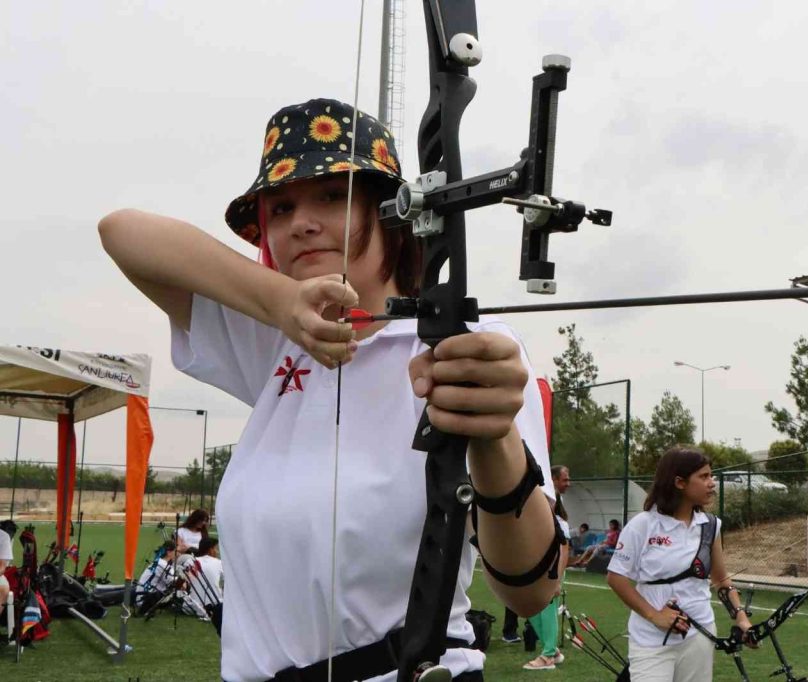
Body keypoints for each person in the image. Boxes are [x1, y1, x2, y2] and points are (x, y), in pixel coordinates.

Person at [99, 98, 561, 682]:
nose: (301, 222)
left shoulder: (465, 345)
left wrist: (494, 442)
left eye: (332, 196)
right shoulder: (278, 341)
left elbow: (532, 590)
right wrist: (282, 304)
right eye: (283, 205)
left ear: (391, 211)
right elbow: (122, 233)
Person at [607, 448, 752, 682]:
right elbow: (616, 578)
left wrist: (741, 618)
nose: (711, 483)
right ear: (679, 482)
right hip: (651, 639)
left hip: (700, 635)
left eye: (711, 476)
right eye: (703, 477)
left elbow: (721, 578)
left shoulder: (710, 526)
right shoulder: (643, 524)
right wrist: (655, 616)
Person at [522, 466, 571, 670]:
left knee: (547, 611)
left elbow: (564, 552)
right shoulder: (533, 521)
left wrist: (557, 579)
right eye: (565, 479)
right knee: (528, 609)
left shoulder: (559, 523)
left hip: (552, 572)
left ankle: (548, 655)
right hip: (535, 572)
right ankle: (553, 650)